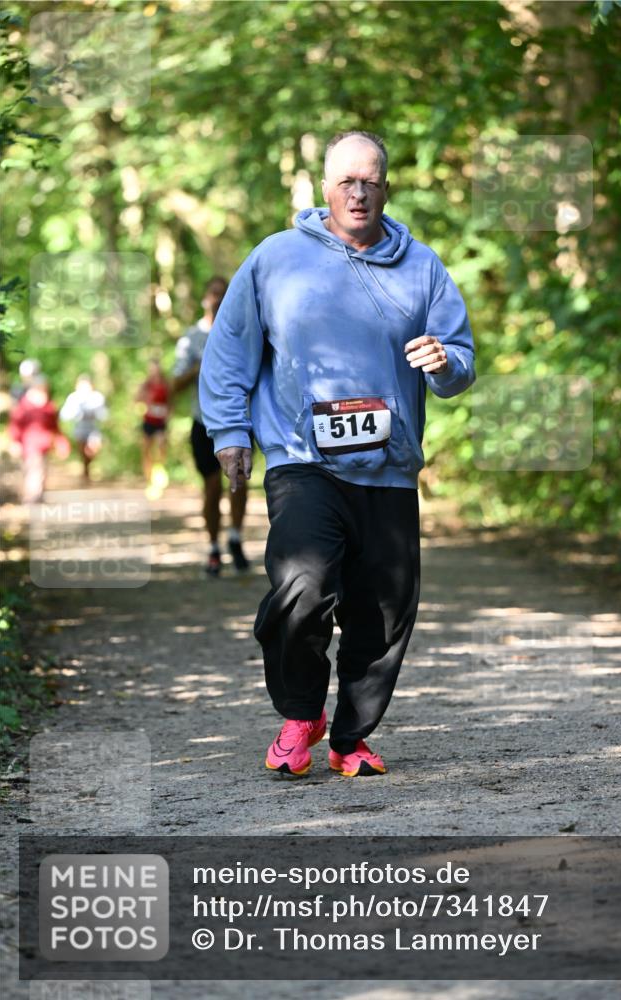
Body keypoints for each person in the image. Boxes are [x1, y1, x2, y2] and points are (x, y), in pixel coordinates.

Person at [200, 131, 475, 778]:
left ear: (387, 189)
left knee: (384, 609)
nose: (358, 193)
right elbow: (231, 348)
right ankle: (300, 713)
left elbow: (459, 362)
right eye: (346, 181)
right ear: (324, 187)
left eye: (370, 181)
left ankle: (351, 737)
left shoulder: (421, 267)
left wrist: (444, 361)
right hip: (302, 459)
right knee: (301, 586)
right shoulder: (275, 258)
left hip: (389, 466)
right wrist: (230, 432)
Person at [172, 276, 250, 576]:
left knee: (239, 481)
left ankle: (236, 539)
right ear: (205, 298)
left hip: (240, 420)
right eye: (214, 293)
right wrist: (200, 366)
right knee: (212, 486)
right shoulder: (191, 337)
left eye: (223, 293)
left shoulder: (243, 332)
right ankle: (214, 547)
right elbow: (175, 384)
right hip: (203, 422)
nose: (218, 299)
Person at [8, 374, 70, 503]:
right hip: (30, 446)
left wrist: (62, 443)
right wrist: (15, 442)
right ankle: (32, 498)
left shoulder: (48, 407)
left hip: (45, 446)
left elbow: (55, 427)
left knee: (41, 470)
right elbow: (15, 426)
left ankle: (37, 496)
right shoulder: (24, 407)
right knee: (34, 469)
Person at [59, 374, 107, 483]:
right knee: (82, 451)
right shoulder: (73, 398)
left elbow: (103, 414)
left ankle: (88, 467)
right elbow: (64, 414)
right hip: (80, 428)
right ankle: (86, 470)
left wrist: (97, 414)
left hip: (93, 429)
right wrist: (75, 413)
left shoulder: (97, 397)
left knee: (93, 448)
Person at [136, 358, 170, 500]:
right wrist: (145, 401)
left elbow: (170, 402)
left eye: (155, 368)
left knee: (161, 446)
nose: (153, 371)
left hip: (161, 422)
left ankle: (159, 470)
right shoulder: (146, 385)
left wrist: (168, 415)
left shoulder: (165, 384)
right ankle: (148, 479)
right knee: (146, 451)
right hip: (148, 421)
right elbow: (137, 399)